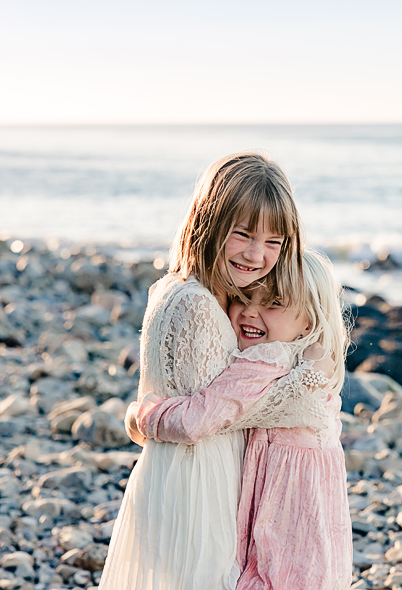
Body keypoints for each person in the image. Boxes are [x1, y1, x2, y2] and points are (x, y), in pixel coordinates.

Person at [98, 152, 332, 590]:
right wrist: (308, 371)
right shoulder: (200, 306)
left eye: (273, 242)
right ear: (209, 222)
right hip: (200, 485)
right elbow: (222, 411)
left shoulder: (179, 288)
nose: (256, 254)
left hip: (180, 474)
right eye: (242, 234)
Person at [135, 250, 353, 590]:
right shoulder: (310, 359)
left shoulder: (266, 359)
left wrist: (144, 416)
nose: (251, 312)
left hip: (284, 508)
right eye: (244, 297)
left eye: (273, 303)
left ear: (308, 321)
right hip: (319, 513)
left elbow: (199, 419)